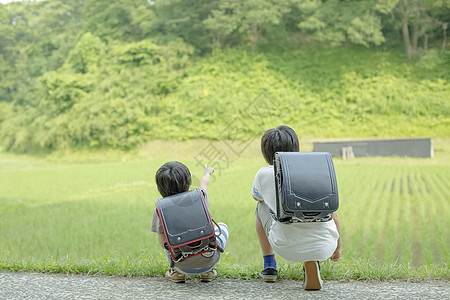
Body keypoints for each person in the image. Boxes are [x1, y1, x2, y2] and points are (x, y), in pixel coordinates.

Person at [252, 125, 342, 290]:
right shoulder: (315, 171)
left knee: (260, 207)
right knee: (321, 210)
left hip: (287, 247)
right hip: (326, 245)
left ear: (266, 153)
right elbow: (333, 214)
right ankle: (313, 261)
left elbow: (256, 196)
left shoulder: (263, 174)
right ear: (296, 148)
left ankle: (269, 265)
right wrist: (338, 247)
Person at [150, 161, 229, 283]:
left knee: (168, 243)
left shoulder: (160, 209)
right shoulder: (200, 196)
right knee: (222, 227)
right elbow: (204, 184)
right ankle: (208, 272)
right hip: (208, 260)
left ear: (160, 187)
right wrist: (207, 172)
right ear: (188, 182)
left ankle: (176, 273)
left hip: (179, 264)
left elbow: (162, 241)